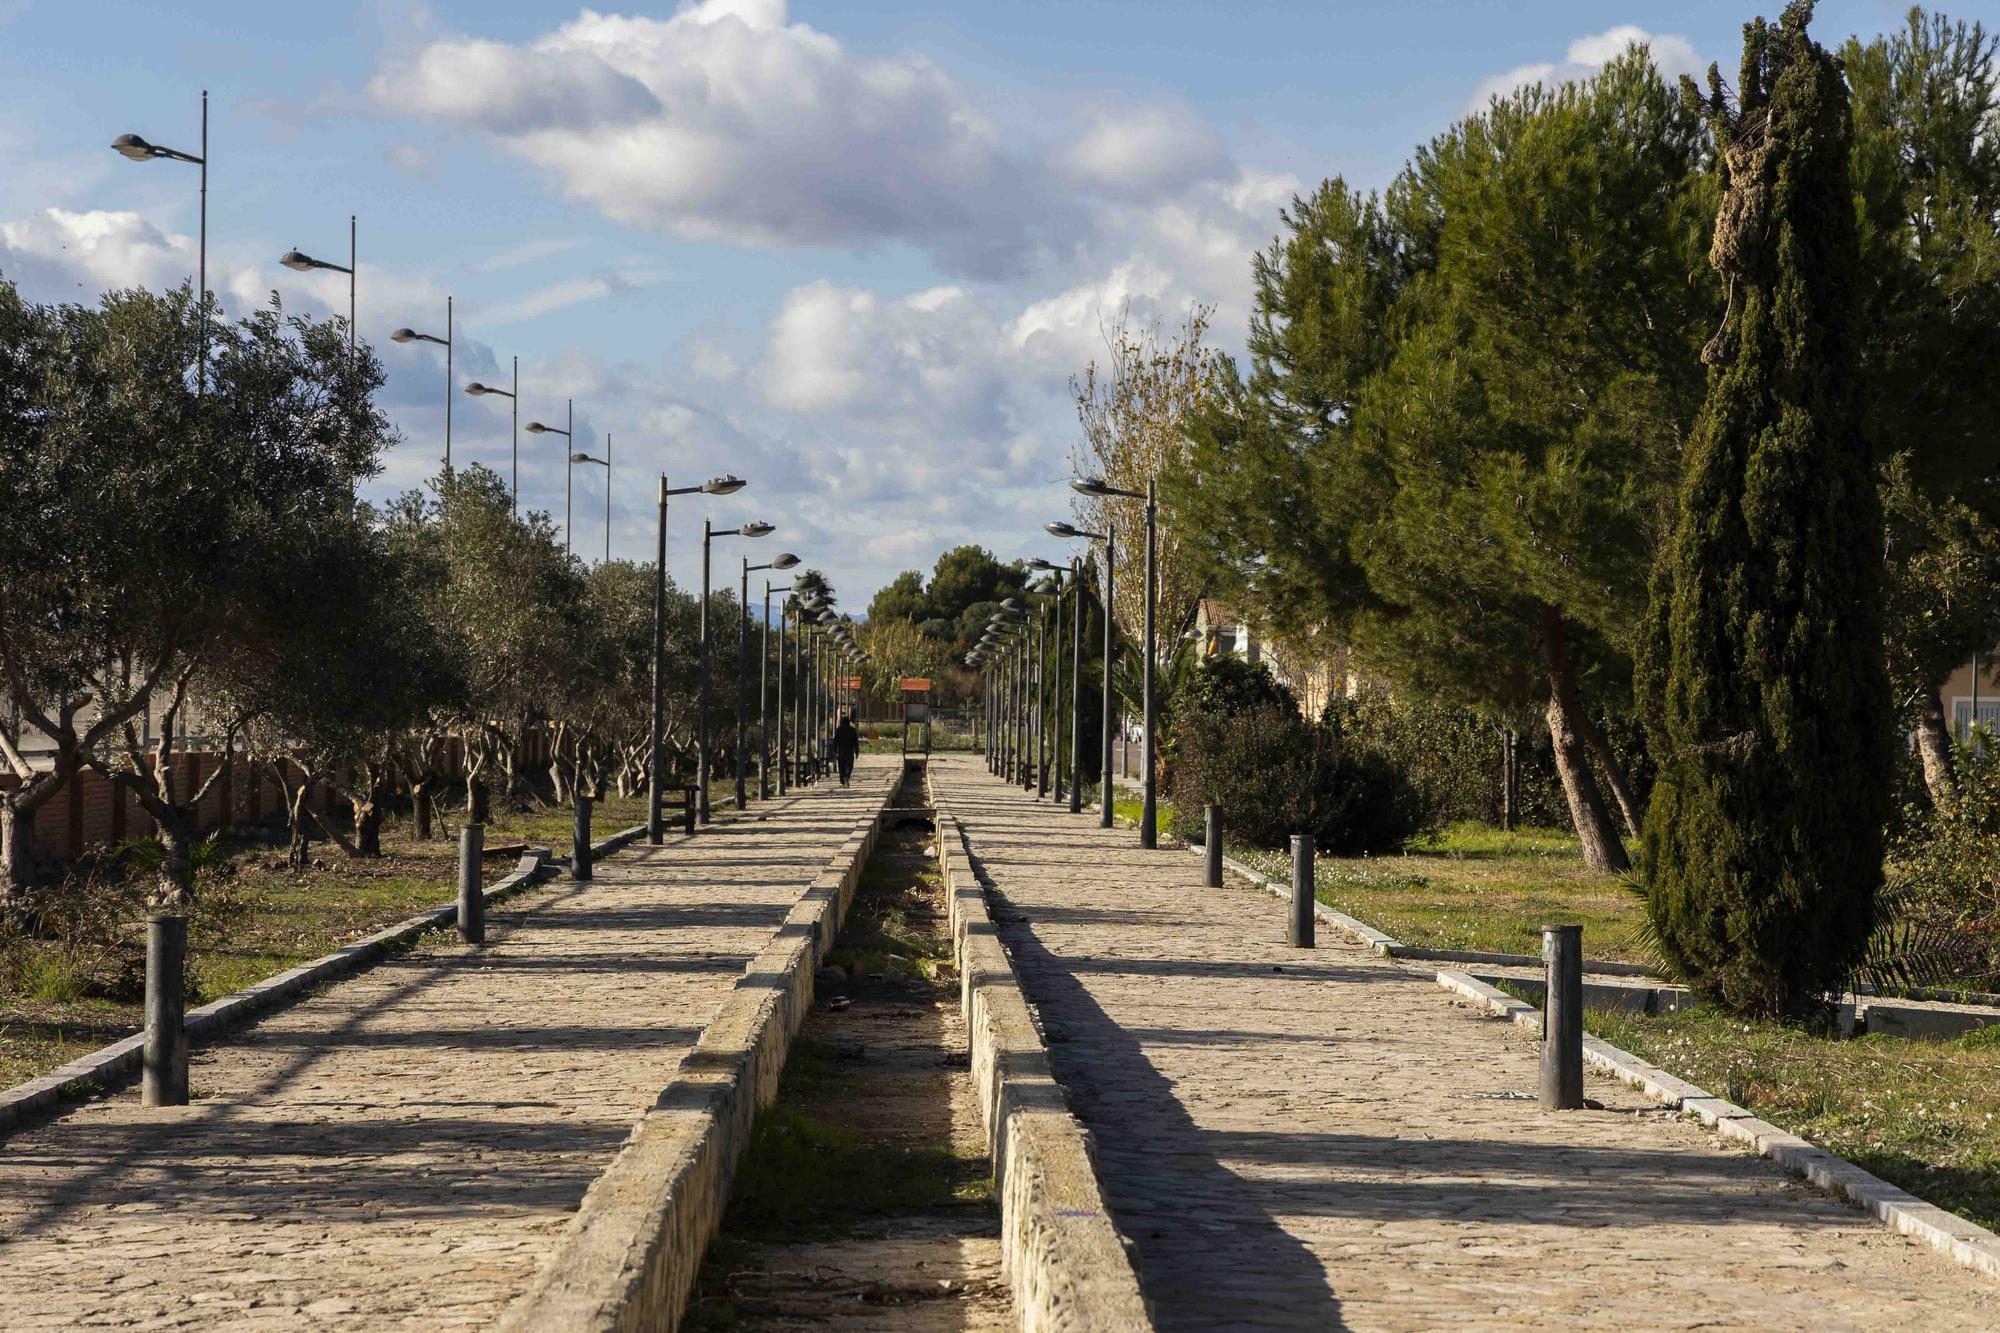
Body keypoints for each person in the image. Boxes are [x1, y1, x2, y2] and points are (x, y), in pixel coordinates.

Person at [832, 713, 860, 787]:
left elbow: (835, 741)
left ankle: (842, 779)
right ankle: (847, 775)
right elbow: (856, 742)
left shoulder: (839, 730)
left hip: (841, 752)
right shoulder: (852, 730)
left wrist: (835, 750)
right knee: (849, 765)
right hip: (849, 751)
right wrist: (857, 752)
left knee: (841, 766)